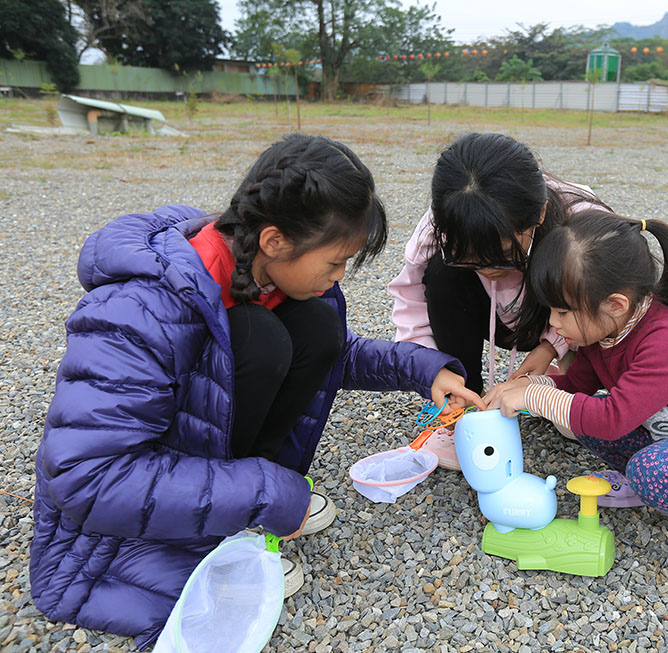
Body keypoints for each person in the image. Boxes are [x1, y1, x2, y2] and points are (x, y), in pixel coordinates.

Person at [30, 134, 483, 647]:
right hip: (118, 527)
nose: (338, 277)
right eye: (335, 263)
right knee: (260, 338)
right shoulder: (140, 309)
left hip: (201, 461)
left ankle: (241, 504)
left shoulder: (257, 266)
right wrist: (265, 492)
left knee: (315, 325)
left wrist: (425, 372)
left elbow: (338, 354)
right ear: (275, 240)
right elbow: (86, 476)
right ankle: (237, 507)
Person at [485, 209, 668, 585]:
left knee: (644, 463)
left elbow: (614, 417)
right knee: (581, 419)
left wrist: (534, 399)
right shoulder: (603, 332)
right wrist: (534, 387)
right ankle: (642, 482)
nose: (553, 324)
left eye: (563, 311)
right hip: (667, 437)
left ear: (615, 305)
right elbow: (578, 388)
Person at [388, 132, 609, 397]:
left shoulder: (582, 220)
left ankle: (569, 377)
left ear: (540, 214)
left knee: (577, 419)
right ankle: (464, 399)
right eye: (468, 259)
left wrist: (552, 345)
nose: (487, 269)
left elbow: (612, 306)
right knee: (441, 273)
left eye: (503, 254)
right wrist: (433, 370)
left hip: (557, 318)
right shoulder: (445, 222)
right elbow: (411, 304)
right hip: (493, 318)